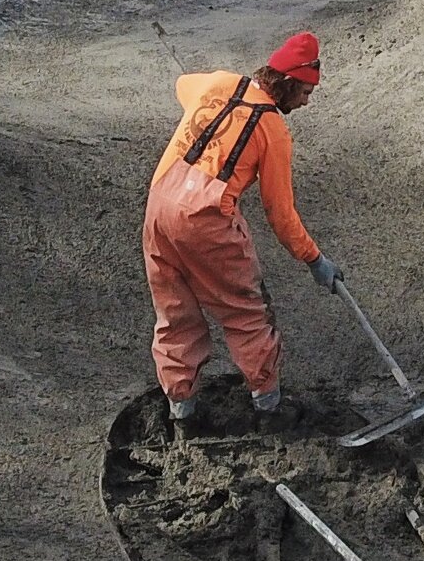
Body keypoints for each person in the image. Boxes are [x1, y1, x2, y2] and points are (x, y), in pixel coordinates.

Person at [142, 31, 341, 423]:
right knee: (247, 313)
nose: (306, 101)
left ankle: (182, 412)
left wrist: (208, 111)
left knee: (175, 312)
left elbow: (183, 85)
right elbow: (281, 215)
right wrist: (315, 260)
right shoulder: (274, 132)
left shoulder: (220, 82)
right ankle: (269, 407)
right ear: (286, 85)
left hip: (159, 206)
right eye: (304, 92)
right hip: (207, 221)